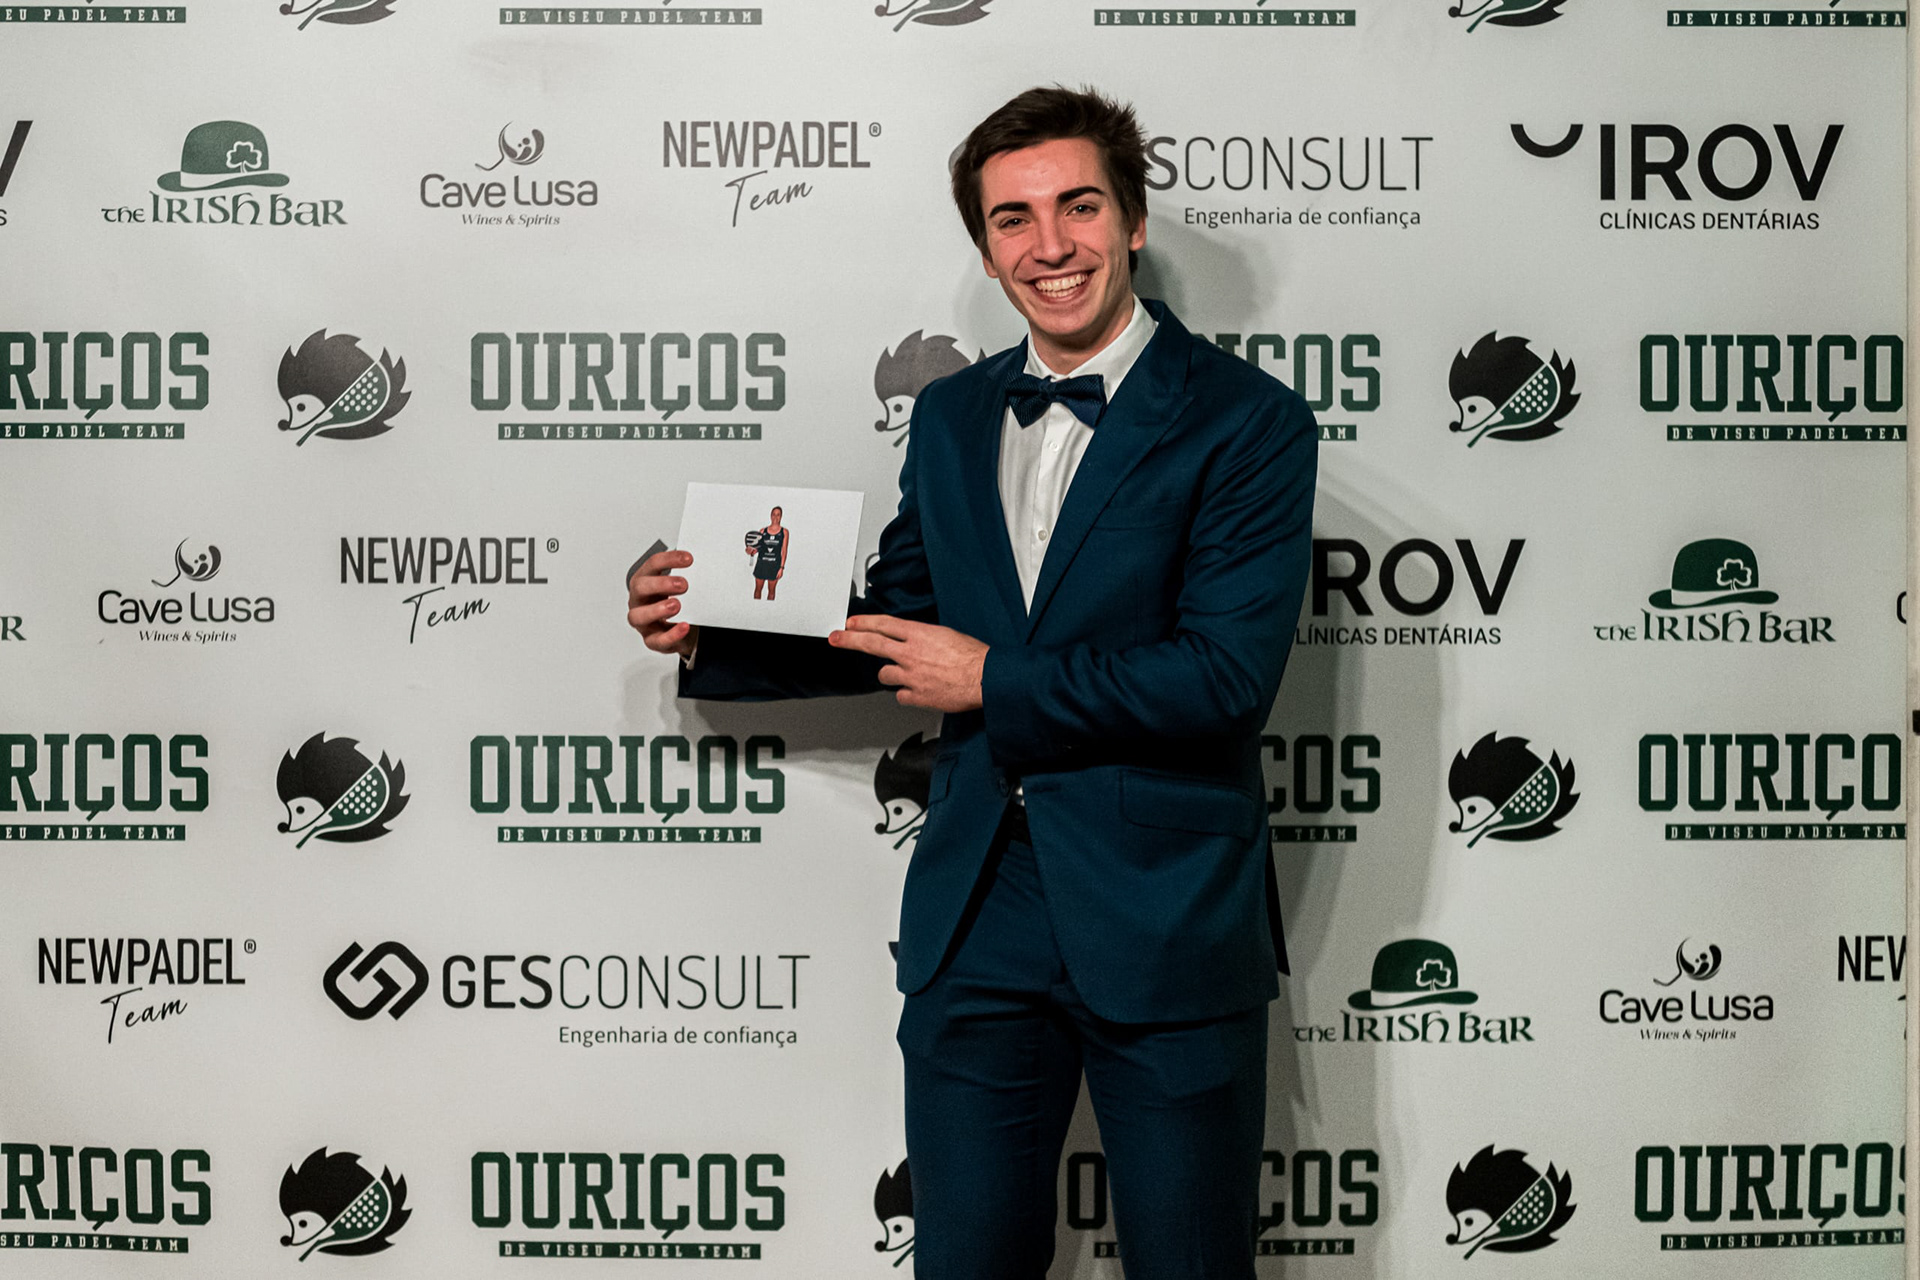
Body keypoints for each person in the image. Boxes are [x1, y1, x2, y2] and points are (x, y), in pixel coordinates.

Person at [628, 85, 1317, 1280]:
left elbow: (1221, 677)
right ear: (987, 249)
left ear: (1134, 220)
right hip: (976, 911)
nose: (1051, 246)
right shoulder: (950, 415)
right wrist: (708, 634)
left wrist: (995, 678)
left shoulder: (1249, 423)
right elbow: (897, 623)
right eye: (1013, 220)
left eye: (1078, 207)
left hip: (1166, 910)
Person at [747, 506, 789, 600]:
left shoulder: (784, 532)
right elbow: (757, 548)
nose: (775, 517)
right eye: (774, 514)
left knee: (771, 591)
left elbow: (784, 551)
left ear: (781, 516)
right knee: (758, 589)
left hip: (774, 565)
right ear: (770, 515)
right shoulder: (763, 531)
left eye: (778, 515)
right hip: (761, 564)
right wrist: (751, 551)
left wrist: (781, 568)